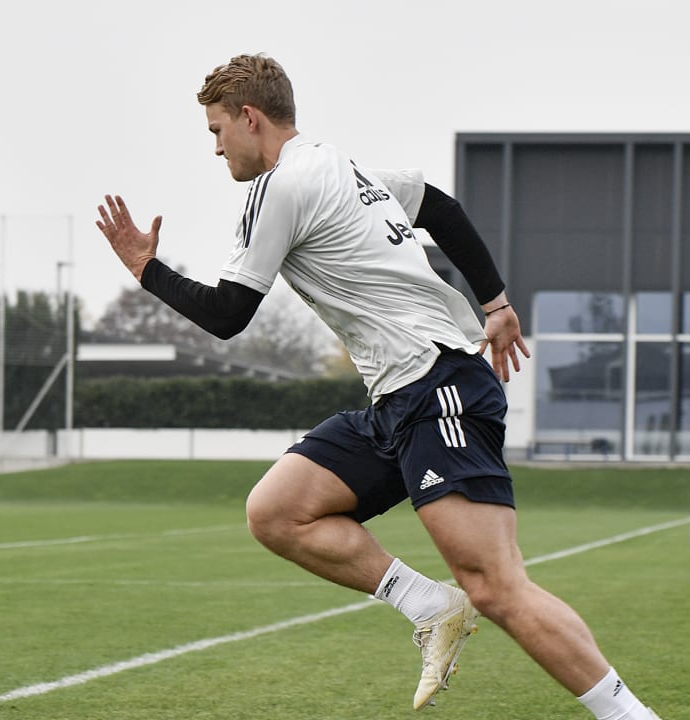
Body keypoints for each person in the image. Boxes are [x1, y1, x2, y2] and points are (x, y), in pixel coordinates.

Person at [96, 53, 661, 719]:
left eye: (217, 130)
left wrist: (145, 267)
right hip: (403, 397)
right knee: (277, 512)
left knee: (498, 586)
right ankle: (429, 605)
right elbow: (441, 207)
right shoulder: (344, 166)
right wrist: (496, 303)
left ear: (251, 118)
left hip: (438, 387)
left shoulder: (278, 187)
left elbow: (228, 314)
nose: (216, 148)